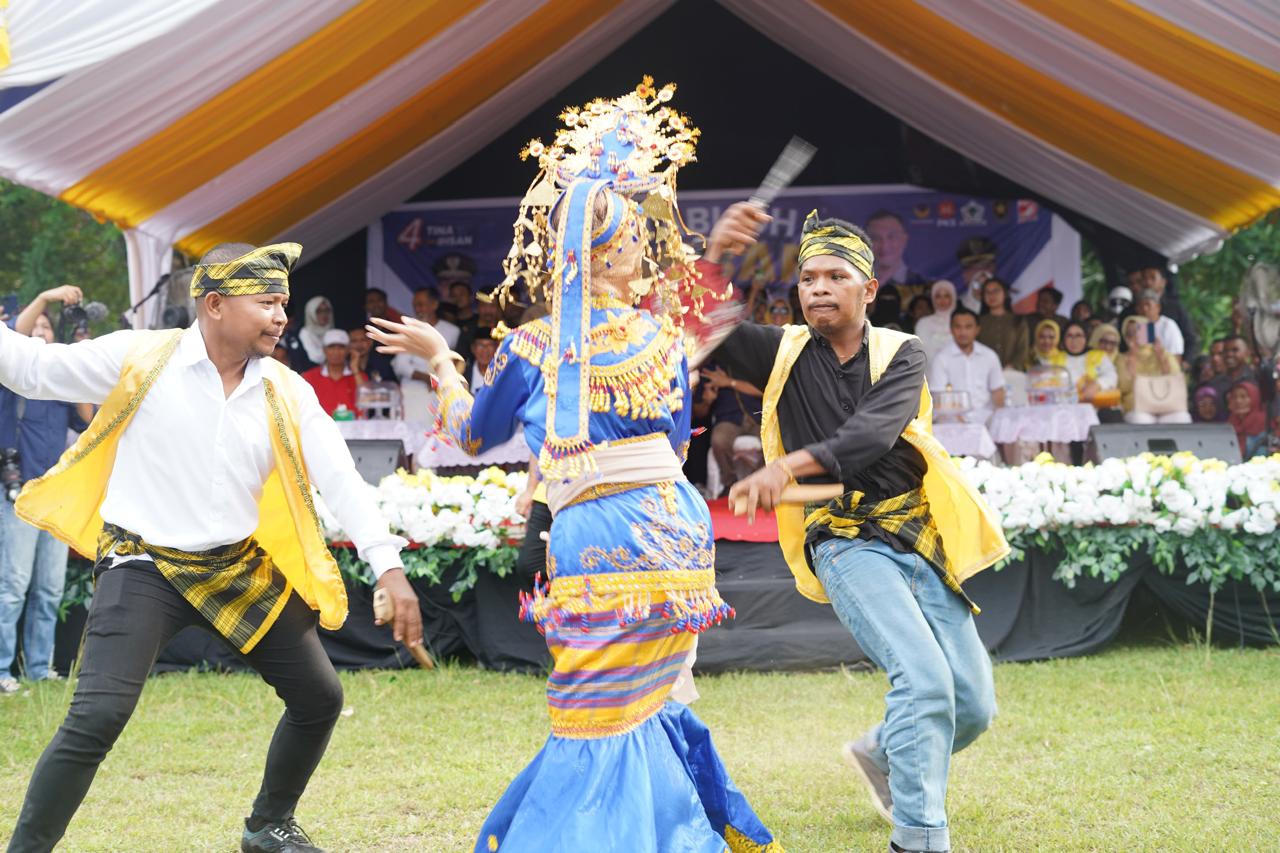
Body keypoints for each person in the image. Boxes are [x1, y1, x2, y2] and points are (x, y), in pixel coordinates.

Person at [368, 82, 780, 853]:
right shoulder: (659, 339)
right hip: (678, 531)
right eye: (638, 244)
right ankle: (671, 831)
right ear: (621, 252)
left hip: (600, 532)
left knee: (592, 705)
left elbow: (467, 432)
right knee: (650, 695)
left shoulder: (530, 345)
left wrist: (442, 360)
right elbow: (678, 438)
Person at [0, 242, 423, 853]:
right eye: (269, 302)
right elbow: (32, 369)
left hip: (232, 564)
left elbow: (342, 480)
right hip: (143, 562)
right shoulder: (143, 356)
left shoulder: (286, 388)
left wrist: (389, 568)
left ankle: (267, 824)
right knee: (96, 716)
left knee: (319, 697)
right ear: (215, 303)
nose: (282, 316)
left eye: (285, 303)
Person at [711, 208, 1004, 853]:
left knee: (974, 703)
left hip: (912, 530)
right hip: (843, 539)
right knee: (925, 682)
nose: (816, 288)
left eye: (834, 276)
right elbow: (698, 325)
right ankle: (919, 838)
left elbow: (868, 437)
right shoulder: (779, 351)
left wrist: (782, 466)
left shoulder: (905, 352)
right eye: (808, 277)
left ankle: (880, 751)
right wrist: (714, 255)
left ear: (868, 289)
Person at [0, 287, 93, 695]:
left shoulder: (58, 380)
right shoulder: (11, 376)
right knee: (14, 585)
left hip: (57, 491)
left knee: (50, 587)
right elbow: (16, 336)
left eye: (46, 327)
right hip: (18, 491)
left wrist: (81, 347)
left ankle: (39, 669)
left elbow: (87, 414)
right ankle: (3, 671)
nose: (39, 331)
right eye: (34, 326)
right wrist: (45, 298)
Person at [927, 308, 1005, 426]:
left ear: (977, 329)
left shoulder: (989, 356)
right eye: (958, 327)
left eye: (968, 327)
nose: (963, 332)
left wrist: (998, 420)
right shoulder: (941, 359)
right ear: (951, 329)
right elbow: (938, 398)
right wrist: (962, 424)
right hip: (952, 424)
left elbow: (998, 391)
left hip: (986, 422)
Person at [699, 362, 764, 493]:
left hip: (757, 417)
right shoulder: (711, 368)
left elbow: (763, 390)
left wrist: (729, 382)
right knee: (719, 440)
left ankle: (759, 483)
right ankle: (730, 484)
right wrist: (707, 401)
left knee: (771, 439)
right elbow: (698, 413)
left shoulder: (751, 360)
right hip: (728, 419)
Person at [1117, 317, 1189, 424]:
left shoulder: (1164, 354)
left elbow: (1176, 380)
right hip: (1137, 407)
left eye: (1139, 330)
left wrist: (1161, 357)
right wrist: (1132, 358)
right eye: (1130, 333)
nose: (1136, 335)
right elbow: (1123, 386)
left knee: (1181, 418)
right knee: (1140, 420)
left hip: (1167, 404)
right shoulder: (1122, 359)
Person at [865, 209, 928, 304]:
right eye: (876, 238)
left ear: (904, 239)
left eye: (891, 237)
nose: (884, 246)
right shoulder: (860, 283)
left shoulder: (920, 283)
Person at [302, 329, 366, 417]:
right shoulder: (308, 377)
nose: (336, 352)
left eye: (341, 347)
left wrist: (355, 369)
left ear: (348, 350)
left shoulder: (359, 376)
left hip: (354, 428)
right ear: (324, 350)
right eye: (331, 347)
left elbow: (367, 400)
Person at [1140, 265, 1198, 359]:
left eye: (1152, 278)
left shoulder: (1169, 322)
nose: (1148, 282)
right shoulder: (1140, 322)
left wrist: (1186, 363)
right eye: (1144, 278)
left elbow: (1189, 339)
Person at [1059, 321, 1117, 405]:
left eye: (1078, 335)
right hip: (1065, 406)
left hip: (1097, 405)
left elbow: (1111, 375)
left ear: (1086, 337)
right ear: (1063, 338)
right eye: (1069, 336)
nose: (1074, 340)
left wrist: (1097, 384)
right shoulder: (1054, 359)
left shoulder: (1098, 355)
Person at [976, 277, 1028, 369]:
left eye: (996, 291)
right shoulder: (978, 322)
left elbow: (1023, 350)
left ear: (1005, 294)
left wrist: (1010, 368)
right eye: (987, 292)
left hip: (1012, 376)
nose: (991, 295)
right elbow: (974, 349)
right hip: (984, 374)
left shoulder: (1018, 320)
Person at [912, 280, 956, 364]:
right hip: (931, 370)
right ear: (933, 298)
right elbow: (924, 351)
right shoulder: (923, 323)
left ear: (953, 297)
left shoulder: (961, 321)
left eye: (946, 296)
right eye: (938, 296)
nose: (942, 300)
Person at [1134, 288, 1184, 357]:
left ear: (1158, 307)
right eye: (1140, 306)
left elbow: (1176, 356)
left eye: (1148, 305)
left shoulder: (1168, 325)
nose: (1144, 309)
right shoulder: (1137, 326)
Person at [955, 236, 997, 312]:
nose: (979, 272)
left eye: (985, 266)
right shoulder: (956, 306)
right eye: (973, 268)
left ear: (993, 269)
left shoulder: (1004, 304)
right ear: (964, 274)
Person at [293, 296, 333, 372]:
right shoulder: (305, 332)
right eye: (319, 311)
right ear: (311, 312)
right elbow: (316, 357)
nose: (324, 314)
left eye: (327, 310)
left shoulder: (332, 331)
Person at [1226, 381, 1267, 457]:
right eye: (1234, 397)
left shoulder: (1263, 424)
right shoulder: (1231, 422)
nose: (1238, 401)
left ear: (1255, 399)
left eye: (1243, 397)